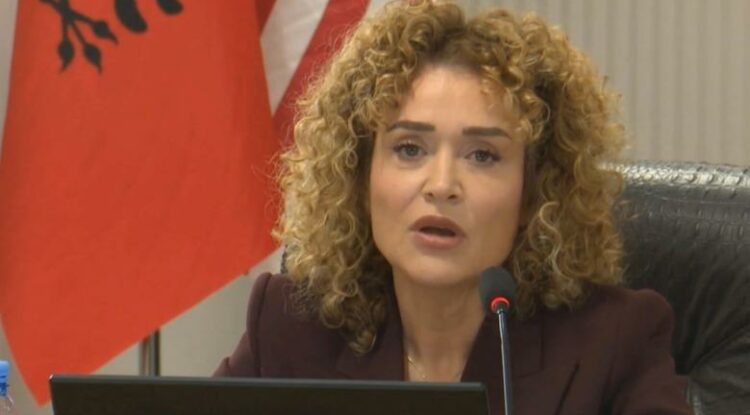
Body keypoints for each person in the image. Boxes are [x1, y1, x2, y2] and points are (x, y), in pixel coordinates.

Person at [215, 1, 693, 414]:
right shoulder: (288, 327)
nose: (442, 186)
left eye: (482, 156)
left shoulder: (614, 343)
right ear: (360, 175)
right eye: (409, 149)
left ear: (535, 191)